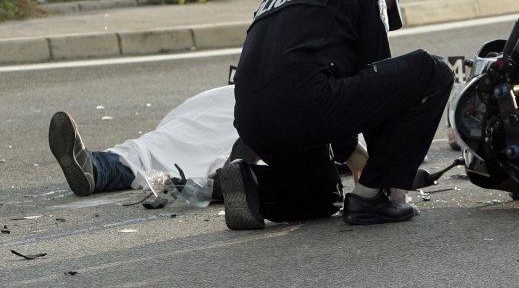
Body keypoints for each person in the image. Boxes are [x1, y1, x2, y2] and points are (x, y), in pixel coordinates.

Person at [219, 0, 454, 229]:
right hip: (306, 105)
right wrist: (383, 180)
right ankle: (372, 199)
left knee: (322, 197)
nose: (386, 22)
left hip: (251, 121)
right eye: (389, 13)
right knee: (434, 70)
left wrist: (350, 150)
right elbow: (376, 81)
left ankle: (256, 183)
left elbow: (307, 73)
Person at [47, 86, 369, 198]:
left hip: (245, 105)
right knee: (170, 149)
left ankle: (98, 167)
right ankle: (96, 168)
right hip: (248, 109)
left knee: (158, 148)